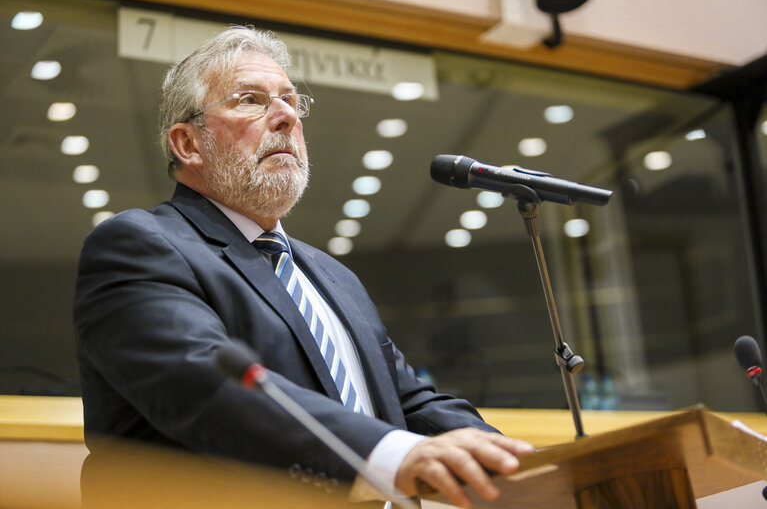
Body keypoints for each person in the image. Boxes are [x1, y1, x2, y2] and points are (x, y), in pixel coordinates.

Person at [73, 25, 533, 508]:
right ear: (188, 144)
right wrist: (390, 454)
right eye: (250, 100)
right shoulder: (139, 244)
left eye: (292, 101)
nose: (286, 116)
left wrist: (510, 461)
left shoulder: (332, 275)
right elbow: (205, 387)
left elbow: (407, 400)